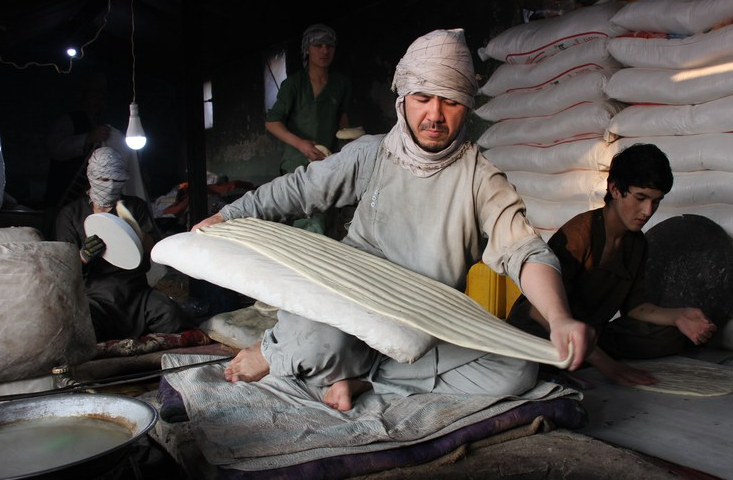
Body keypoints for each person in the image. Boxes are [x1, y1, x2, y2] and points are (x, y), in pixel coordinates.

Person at [192, 29, 593, 411]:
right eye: (423, 97)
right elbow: (299, 189)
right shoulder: (373, 154)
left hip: (423, 324)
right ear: (403, 99)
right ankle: (273, 349)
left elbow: (524, 249)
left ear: (467, 105)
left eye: (450, 101)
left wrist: (559, 319)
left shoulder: (480, 178)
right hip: (347, 305)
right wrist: (229, 214)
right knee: (314, 347)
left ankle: (366, 380)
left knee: (517, 369)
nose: (435, 114)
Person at [507, 143, 718, 387]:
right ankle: (574, 358)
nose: (648, 211)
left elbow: (635, 308)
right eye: (641, 198)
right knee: (534, 362)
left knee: (669, 335)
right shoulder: (580, 233)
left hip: (588, 333)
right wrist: (608, 365)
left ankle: (584, 353)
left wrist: (678, 316)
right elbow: (538, 310)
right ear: (615, 189)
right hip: (544, 332)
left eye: (656, 201)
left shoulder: (637, 244)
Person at [55, 146, 194, 342]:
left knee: (173, 317)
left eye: (117, 180)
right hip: (96, 296)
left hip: (136, 293)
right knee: (83, 329)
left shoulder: (135, 207)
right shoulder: (71, 215)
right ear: (91, 177)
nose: (111, 186)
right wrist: (82, 257)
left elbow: (155, 250)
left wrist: (137, 232)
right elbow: (62, 268)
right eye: (104, 180)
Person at [264, 23, 352, 236]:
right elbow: (272, 122)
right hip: (297, 162)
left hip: (327, 161)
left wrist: (351, 138)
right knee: (302, 219)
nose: (324, 51)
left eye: (329, 46)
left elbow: (342, 119)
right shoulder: (294, 84)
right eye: (318, 45)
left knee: (326, 217)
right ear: (307, 49)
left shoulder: (341, 84)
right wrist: (301, 145)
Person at [45, 73, 112, 211]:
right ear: (83, 97)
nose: (99, 101)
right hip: (63, 196)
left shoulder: (99, 124)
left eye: (102, 97)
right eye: (95, 96)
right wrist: (88, 138)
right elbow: (55, 148)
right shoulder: (68, 121)